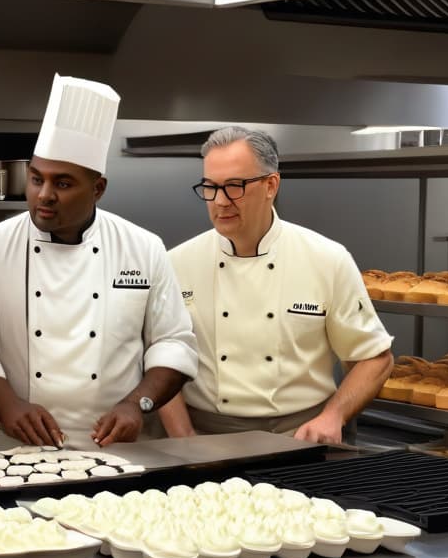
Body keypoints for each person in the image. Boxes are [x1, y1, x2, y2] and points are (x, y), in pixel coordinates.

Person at [0, 74, 198, 450]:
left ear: (98, 189)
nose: (44, 195)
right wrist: (8, 407)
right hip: (16, 449)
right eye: (36, 179)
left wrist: (136, 404)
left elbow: (173, 342)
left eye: (63, 183)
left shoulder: (142, 247)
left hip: (119, 449)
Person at [158, 126, 394, 443]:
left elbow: (374, 358)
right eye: (211, 188)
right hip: (205, 438)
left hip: (298, 439)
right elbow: (159, 358)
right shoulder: (176, 264)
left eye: (235, 186)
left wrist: (333, 416)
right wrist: (183, 436)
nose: (221, 201)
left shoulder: (327, 259)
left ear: (271, 185)